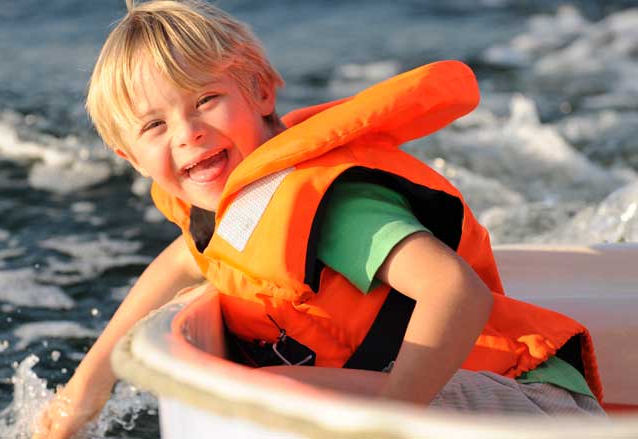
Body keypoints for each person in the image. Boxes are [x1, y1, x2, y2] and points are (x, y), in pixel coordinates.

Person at [34, 0, 605, 437]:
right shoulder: (229, 214)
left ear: (259, 89)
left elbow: (455, 292)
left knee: (272, 394)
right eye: (155, 127)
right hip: (453, 404)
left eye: (205, 100)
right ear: (129, 158)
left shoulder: (332, 206)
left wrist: (387, 422)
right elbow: (184, 259)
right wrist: (86, 389)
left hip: (534, 411)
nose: (189, 134)